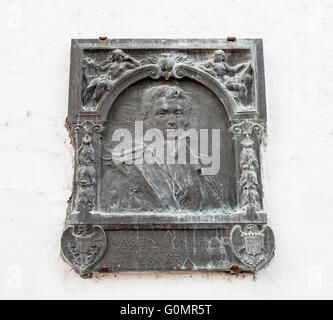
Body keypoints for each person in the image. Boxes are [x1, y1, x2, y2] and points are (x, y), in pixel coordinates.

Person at [101, 85, 230, 213]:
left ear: (186, 119)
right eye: (162, 114)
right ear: (146, 119)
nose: (172, 121)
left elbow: (220, 209)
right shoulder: (126, 160)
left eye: (178, 114)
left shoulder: (201, 164)